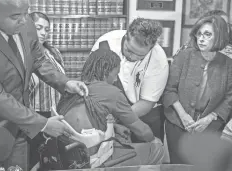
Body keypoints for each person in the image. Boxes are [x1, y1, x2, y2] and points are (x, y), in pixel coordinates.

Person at [0, 0, 88, 170]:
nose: (24, 21)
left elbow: (38, 59)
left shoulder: (25, 22)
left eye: (26, 12)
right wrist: (43, 124)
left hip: (21, 132)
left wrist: (65, 82)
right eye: (16, 16)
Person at [57, 45, 164, 166]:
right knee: (157, 149)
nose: (114, 80)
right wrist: (154, 140)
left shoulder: (72, 86)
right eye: (115, 75)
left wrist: (115, 126)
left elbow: (82, 121)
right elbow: (141, 131)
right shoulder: (112, 93)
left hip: (66, 158)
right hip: (95, 160)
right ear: (105, 73)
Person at [162, 15, 232, 164]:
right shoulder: (183, 56)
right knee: (179, 166)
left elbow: (229, 98)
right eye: (199, 34)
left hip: (210, 126)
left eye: (207, 35)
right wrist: (184, 116)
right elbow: (169, 90)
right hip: (177, 123)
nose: (201, 38)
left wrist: (209, 118)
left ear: (219, 36)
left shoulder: (228, 64)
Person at [91, 18, 169, 141]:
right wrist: (109, 121)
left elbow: (147, 103)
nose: (132, 57)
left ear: (150, 48)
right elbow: (95, 85)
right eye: (129, 50)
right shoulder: (105, 44)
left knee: (146, 153)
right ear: (126, 35)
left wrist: (117, 118)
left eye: (140, 55)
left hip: (144, 114)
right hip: (107, 111)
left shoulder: (159, 60)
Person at [27, 12, 66, 169]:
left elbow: (61, 80)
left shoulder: (53, 52)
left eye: (47, 29)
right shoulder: (23, 54)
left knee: (53, 162)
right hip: (34, 117)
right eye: (39, 28)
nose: (44, 32)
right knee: (34, 161)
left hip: (55, 115)